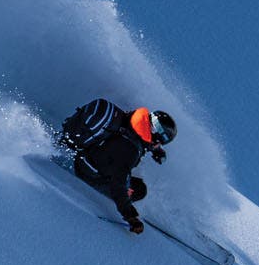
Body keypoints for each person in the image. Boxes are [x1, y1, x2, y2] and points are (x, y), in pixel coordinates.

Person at [58, 100, 176, 234]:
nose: (159, 145)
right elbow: (118, 185)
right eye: (161, 142)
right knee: (138, 190)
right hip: (85, 170)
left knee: (127, 179)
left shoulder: (130, 118)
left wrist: (154, 149)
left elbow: (137, 137)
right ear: (155, 136)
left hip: (84, 151)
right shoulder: (129, 151)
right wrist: (131, 216)